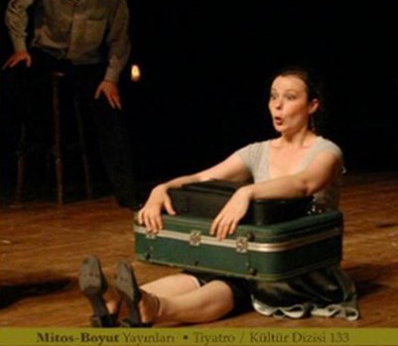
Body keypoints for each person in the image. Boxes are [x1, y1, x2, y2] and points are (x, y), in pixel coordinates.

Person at [79, 66, 359, 326]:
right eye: (273, 96)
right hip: (254, 259)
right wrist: (160, 189)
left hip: (298, 268)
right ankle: (117, 301)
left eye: (290, 97)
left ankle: (153, 308)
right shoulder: (259, 151)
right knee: (205, 273)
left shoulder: (327, 152)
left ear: (312, 106)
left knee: (234, 282)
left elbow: (303, 184)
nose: (277, 104)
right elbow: (203, 177)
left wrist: (248, 192)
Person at [2, 0, 136, 209]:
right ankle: (38, 139)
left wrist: (110, 79)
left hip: (88, 61)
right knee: (11, 79)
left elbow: (119, 38)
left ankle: (127, 194)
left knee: (109, 109)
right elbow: (16, 9)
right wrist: (20, 48)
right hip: (47, 54)